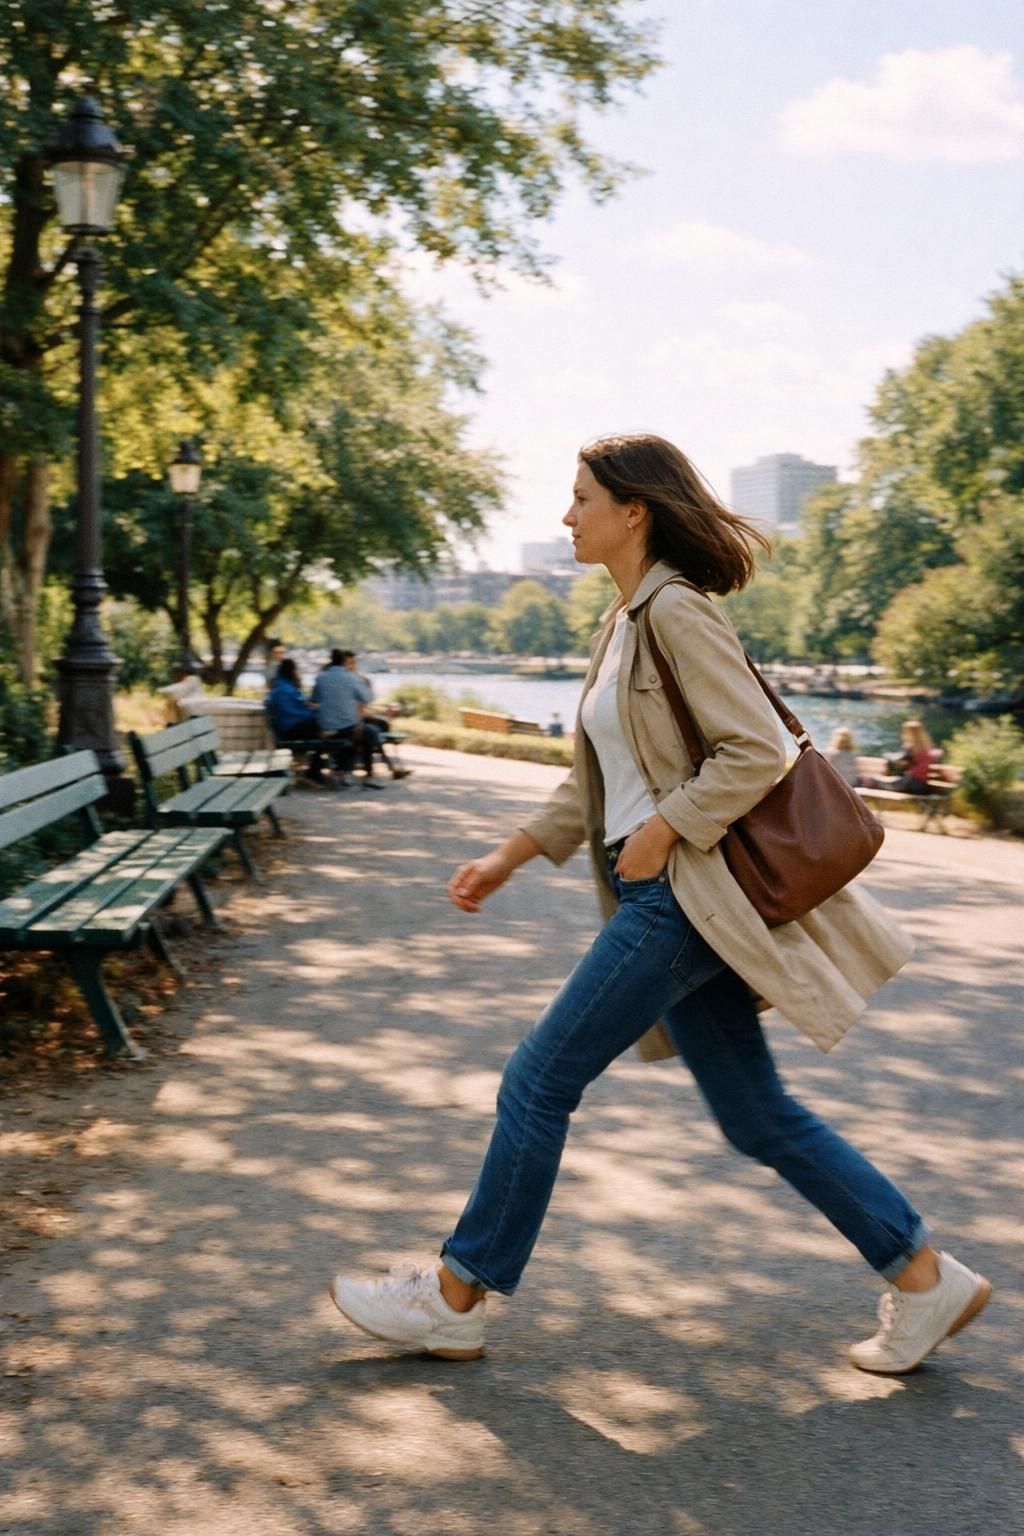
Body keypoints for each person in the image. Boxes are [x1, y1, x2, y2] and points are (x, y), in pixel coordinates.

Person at [330, 432, 991, 1374]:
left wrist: (670, 828)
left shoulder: (677, 610)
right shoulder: (625, 623)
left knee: (538, 1079)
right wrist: (510, 855)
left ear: (632, 510)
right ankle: (925, 1278)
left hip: (682, 896)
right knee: (755, 1116)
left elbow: (757, 750)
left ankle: (456, 1293)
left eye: (581, 498)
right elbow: (598, 785)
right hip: (673, 890)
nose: (566, 516)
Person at [339, 651, 412, 781]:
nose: (353, 666)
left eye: (354, 663)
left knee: (380, 725)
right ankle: (384, 765)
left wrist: (377, 712)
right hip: (350, 721)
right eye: (350, 663)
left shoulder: (358, 680)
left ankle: (380, 763)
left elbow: (363, 706)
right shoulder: (349, 682)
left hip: (357, 718)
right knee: (372, 730)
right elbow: (358, 709)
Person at [268, 658, 328, 784]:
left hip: (291, 726)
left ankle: (316, 769)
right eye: (296, 670)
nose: (298, 672)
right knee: (322, 731)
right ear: (291, 671)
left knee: (322, 732)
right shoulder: (284, 690)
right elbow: (292, 712)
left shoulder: (283, 686)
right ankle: (315, 770)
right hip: (290, 728)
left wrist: (310, 708)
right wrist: (312, 712)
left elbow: (297, 706)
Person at [886, 720, 941, 795]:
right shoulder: (913, 747)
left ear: (912, 733)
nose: (904, 734)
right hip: (913, 783)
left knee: (896, 783)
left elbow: (915, 769)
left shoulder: (919, 748)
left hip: (916, 784)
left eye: (906, 732)